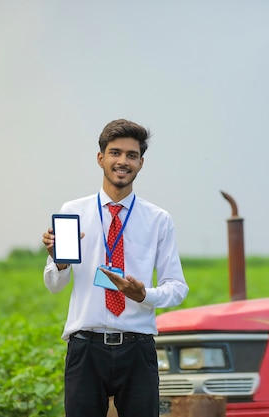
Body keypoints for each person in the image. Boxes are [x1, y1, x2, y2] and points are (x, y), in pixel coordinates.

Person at [42, 119, 189, 417]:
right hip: (86, 347)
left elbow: (177, 287)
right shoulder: (74, 211)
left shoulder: (158, 219)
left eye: (131, 155)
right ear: (101, 158)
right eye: (115, 153)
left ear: (141, 163)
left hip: (137, 347)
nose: (123, 161)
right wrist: (58, 260)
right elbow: (54, 284)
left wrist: (143, 294)